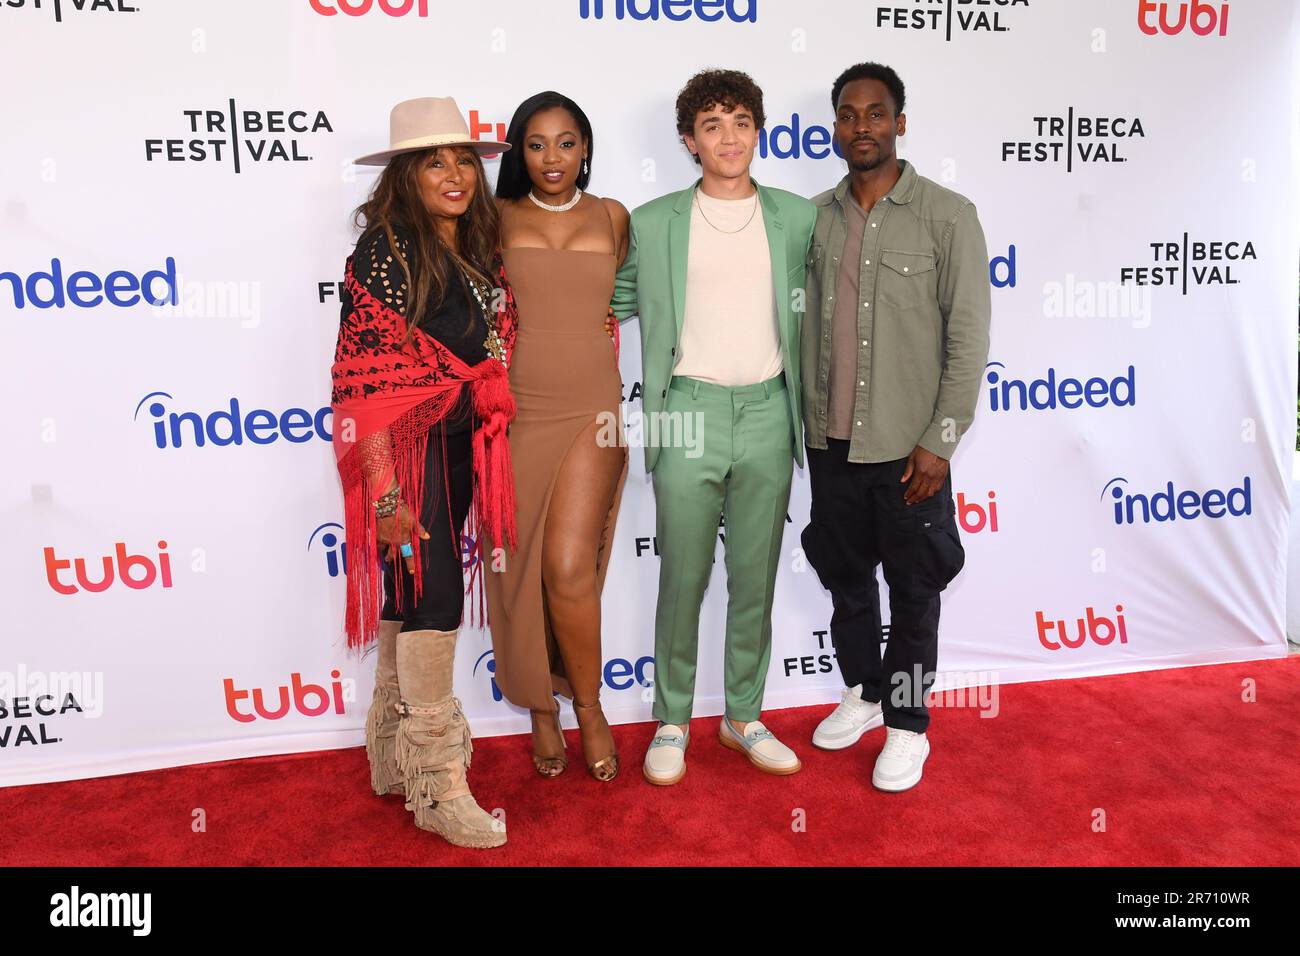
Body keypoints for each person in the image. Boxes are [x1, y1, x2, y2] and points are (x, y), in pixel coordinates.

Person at [611, 69, 816, 786]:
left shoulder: (799, 217)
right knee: (683, 575)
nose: (729, 137)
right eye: (711, 124)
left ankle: (743, 716)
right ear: (688, 140)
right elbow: (607, 303)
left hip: (769, 409)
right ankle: (672, 719)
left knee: (754, 575)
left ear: (758, 131)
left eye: (740, 121)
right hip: (686, 412)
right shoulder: (651, 222)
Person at [332, 96, 517, 847]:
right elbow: (362, 382)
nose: (454, 174)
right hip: (409, 457)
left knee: (411, 595)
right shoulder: (386, 250)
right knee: (434, 596)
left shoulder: (475, 245)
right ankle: (439, 784)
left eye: (463, 160)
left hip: (459, 444)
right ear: (405, 175)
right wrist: (384, 496)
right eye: (433, 162)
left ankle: (391, 755)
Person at [800, 63, 990, 792]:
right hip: (831, 443)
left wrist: (941, 441)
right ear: (835, 127)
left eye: (876, 113)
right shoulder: (814, 218)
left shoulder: (949, 216)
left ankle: (908, 725)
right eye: (848, 114)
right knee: (846, 579)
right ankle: (865, 691)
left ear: (900, 123)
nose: (862, 127)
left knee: (914, 590)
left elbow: (968, 341)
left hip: (911, 449)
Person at [487, 91, 629, 783]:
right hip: (515, 410)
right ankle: (542, 708)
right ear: (519, 151)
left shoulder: (613, 216)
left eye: (566, 142)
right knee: (519, 569)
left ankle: (589, 708)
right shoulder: (494, 217)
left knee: (570, 566)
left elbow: (624, 301)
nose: (552, 157)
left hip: (591, 406)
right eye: (537, 143)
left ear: (585, 148)